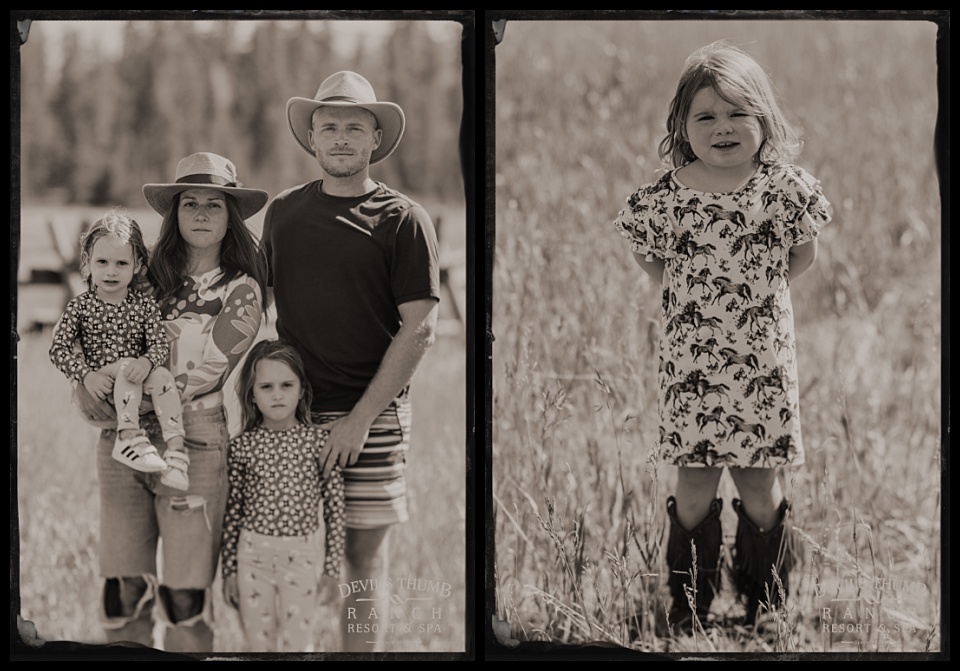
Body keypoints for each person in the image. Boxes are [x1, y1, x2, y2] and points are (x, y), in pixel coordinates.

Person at [612, 41, 831, 631]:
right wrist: (686, 293)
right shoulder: (668, 195)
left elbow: (802, 256)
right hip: (692, 373)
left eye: (738, 112)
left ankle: (767, 606)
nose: (723, 127)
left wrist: (758, 296)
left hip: (762, 367)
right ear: (683, 125)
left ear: (764, 118)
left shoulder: (783, 189)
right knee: (693, 484)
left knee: (762, 483)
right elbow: (646, 255)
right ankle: (690, 608)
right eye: (705, 116)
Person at [262, 70, 440, 651]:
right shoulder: (283, 214)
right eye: (329, 126)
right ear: (312, 138)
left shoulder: (404, 220)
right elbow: (248, 306)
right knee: (292, 552)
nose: (341, 137)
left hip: (375, 417)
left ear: (374, 140)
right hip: (292, 416)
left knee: (362, 560)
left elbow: (420, 329)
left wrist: (359, 418)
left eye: (354, 127)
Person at [72, 152, 269, 651]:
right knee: (123, 589)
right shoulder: (142, 277)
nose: (201, 213)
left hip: (196, 442)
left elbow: (211, 371)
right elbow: (96, 333)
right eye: (190, 203)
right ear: (174, 214)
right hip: (123, 441)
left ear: (231, 217)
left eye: (214, 204)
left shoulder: (242, 289)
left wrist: (135, 400)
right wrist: (83, 382)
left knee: (184, 594)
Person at [50, 210, 190, 490]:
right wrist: (86, 375)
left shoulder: (144, 305)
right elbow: (58, 349)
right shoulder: (81, 306)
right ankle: (128, 437)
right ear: (87, 263)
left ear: (137, 265)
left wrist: (149, 362)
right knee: (126, 366)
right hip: (103, 376)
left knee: (162, 378)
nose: (111, 271)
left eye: (121, 263)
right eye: (102, 262)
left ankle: (176, 451)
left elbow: (158, 344)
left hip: (134, 377)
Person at [220, 339, 346, 652]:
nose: (277, 394)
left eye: (287, 385)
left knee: (298, 646)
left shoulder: (319, 443)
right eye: (266, 387)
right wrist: (230, 571)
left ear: (302, 390)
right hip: (252, 558)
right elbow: (232, 512)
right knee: (258, 644)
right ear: (252, 395)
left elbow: (335, 510)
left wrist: (331, 569)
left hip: (301, 561)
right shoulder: (241, 448)